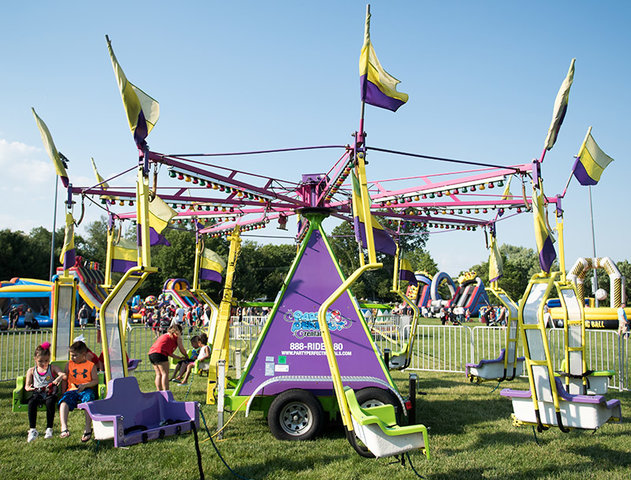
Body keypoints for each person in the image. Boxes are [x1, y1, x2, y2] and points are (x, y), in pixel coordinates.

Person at [58, 341, 98, 441]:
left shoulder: (91, 365)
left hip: (86, 389)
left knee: (88, 401)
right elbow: (65, 378)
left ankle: (88, 428)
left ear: (83, 355)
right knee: (64, 402)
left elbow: (95, 381)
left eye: (75, 356)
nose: (72, 358)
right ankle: (64, 427)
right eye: (71, 355)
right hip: (72, 390)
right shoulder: (69, 364)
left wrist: (85, 385)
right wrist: (63, 391)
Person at [24, 342, 64, 442]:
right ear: (35, 359)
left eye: (46, 360)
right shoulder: (32, 370)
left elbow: (63, 374)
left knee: (50, 402)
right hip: (37, 393)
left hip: (49, 392)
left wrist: (58, 378)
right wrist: (29, 388)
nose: (43, 363)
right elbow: (27, 386)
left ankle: (49, 428)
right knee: (31, 403)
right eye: (40, 361)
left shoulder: (52, 368)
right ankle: (32, 429)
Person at [148, 324, 188, 391]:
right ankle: (166, 392)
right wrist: (186, 355)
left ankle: (159, 392)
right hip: (160, 354)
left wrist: (177, 357)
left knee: (158, 374)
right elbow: (181, 349)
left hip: (152, 354)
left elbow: (167, 350)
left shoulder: (165, 335)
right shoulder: (177, 337)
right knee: (165, 374)